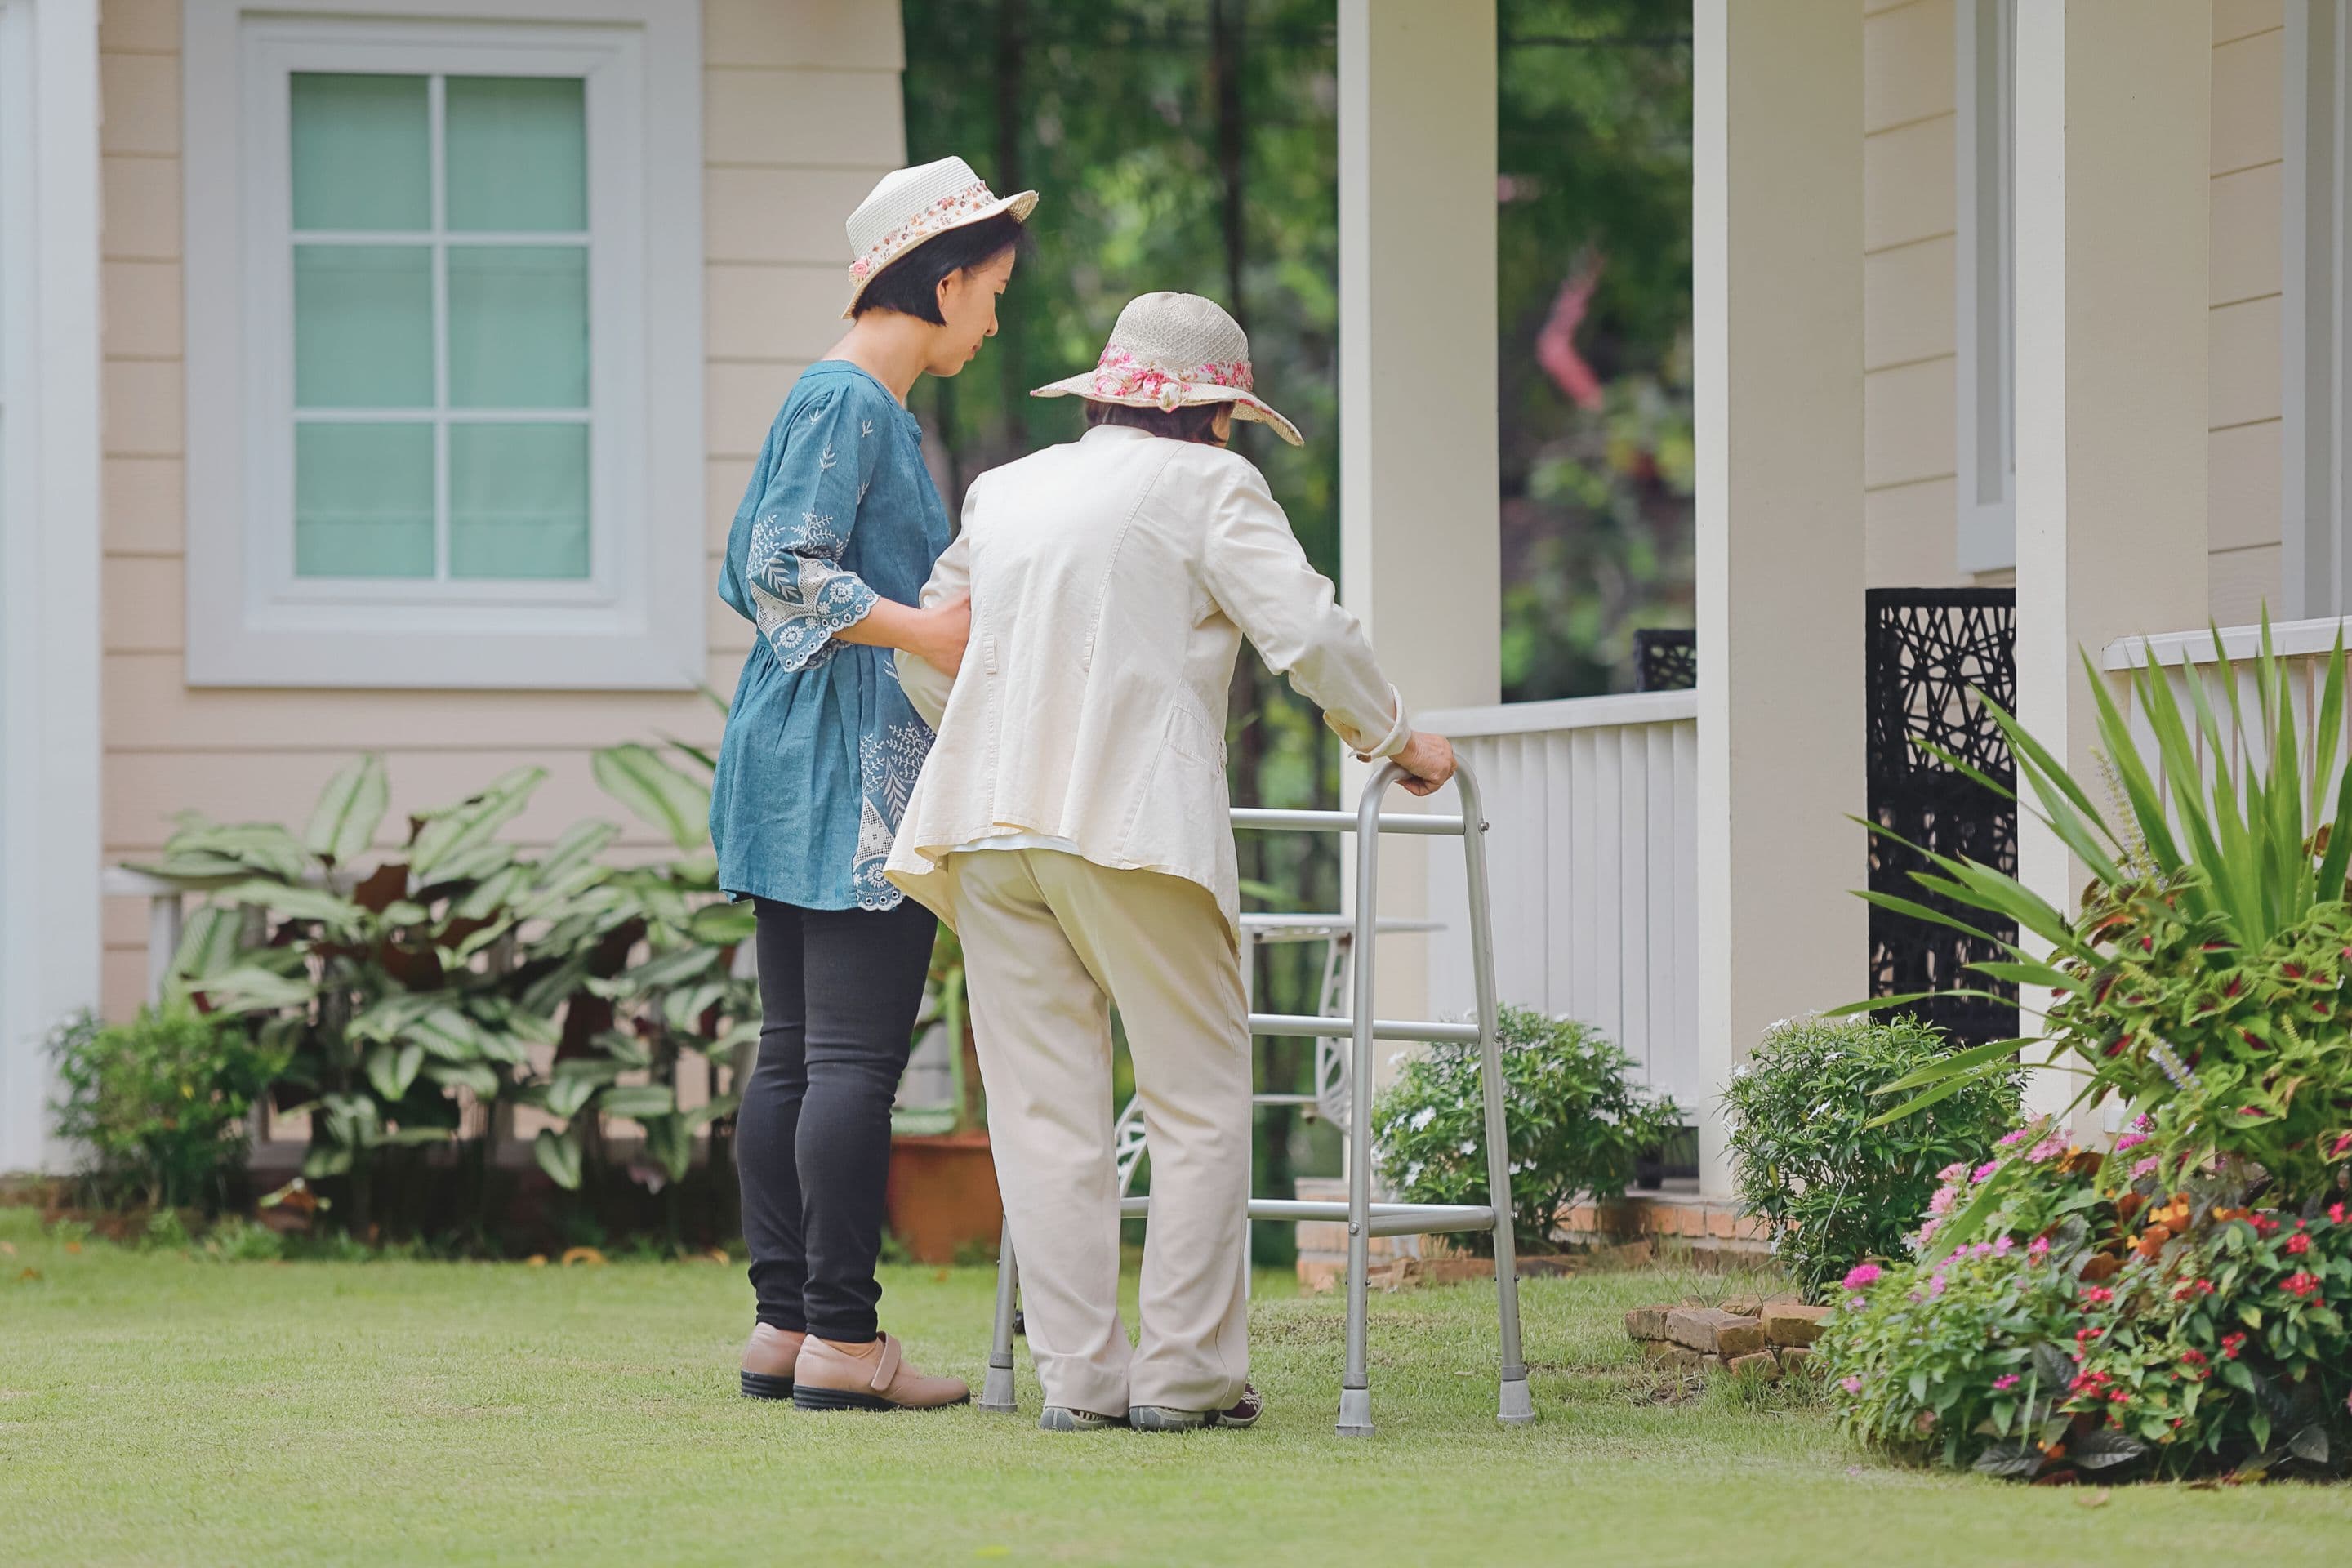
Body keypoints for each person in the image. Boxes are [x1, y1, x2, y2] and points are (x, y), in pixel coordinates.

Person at [884, 292, 1457, 1432]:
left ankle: (1083, 1384)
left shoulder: (1007, 489)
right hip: (1131, 823)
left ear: (1104, 394)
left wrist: (998, 733)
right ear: (1216, 413)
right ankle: (1187, 1378)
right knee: (1195, 1099)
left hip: (987, 826)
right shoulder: (1210, 485)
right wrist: (1396, 737)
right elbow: (1308, 631)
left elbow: (929, 653)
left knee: (1044, 1114)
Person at [712, 156, 1035, 1414]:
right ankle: (843, 1339)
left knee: (796, 1055)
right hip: (852, 757)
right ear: (944, 284)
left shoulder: (836, 399)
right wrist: (927, 630)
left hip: (789, 741)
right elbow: (778, 566)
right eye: (991, 291)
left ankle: (786, 1328)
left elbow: (744, 576)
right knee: (847, 1059)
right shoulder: (852, 403)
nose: (994, 319)